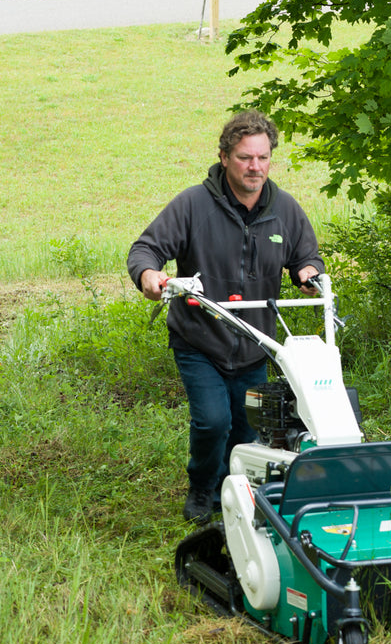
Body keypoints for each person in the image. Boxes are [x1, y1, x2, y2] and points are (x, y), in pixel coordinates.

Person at [128, 110, 323, 526]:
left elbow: (305, 256)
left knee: (246, 430)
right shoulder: (193, 205)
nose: (255, 167)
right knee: (213, 421)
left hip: (255, 341)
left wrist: (308, 274)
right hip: (201, 337)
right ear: (224, 157)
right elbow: (145, 250)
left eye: (263, 158)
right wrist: (149, 276)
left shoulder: (284, 210)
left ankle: (232, 496)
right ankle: (201, 488)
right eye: (244, 158)